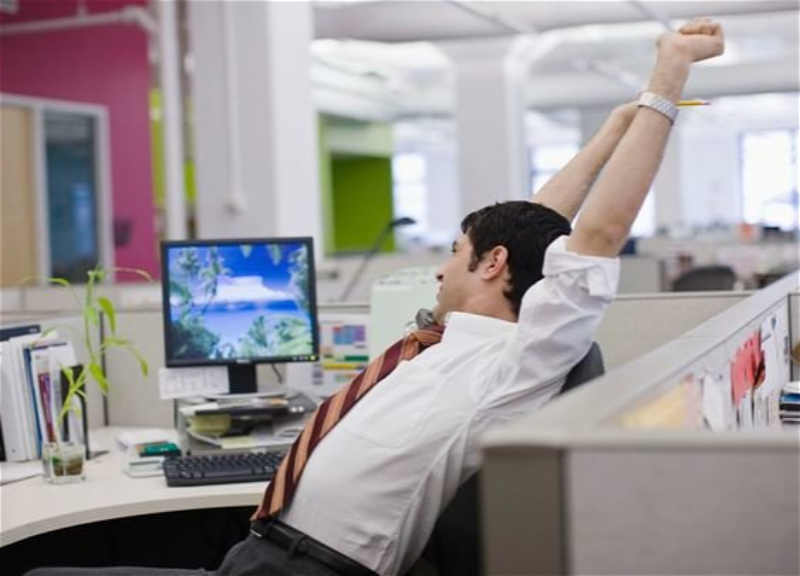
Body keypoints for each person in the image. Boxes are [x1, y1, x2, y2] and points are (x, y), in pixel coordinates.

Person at [27, 16, 724, 576]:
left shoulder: (519, 360)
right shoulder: (447, 343)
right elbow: (530, 223)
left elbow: (598, 235)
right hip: (261, 552)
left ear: (493, 265)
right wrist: (615, 126)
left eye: (454, 253)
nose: (439, 272)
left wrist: (667, 78)